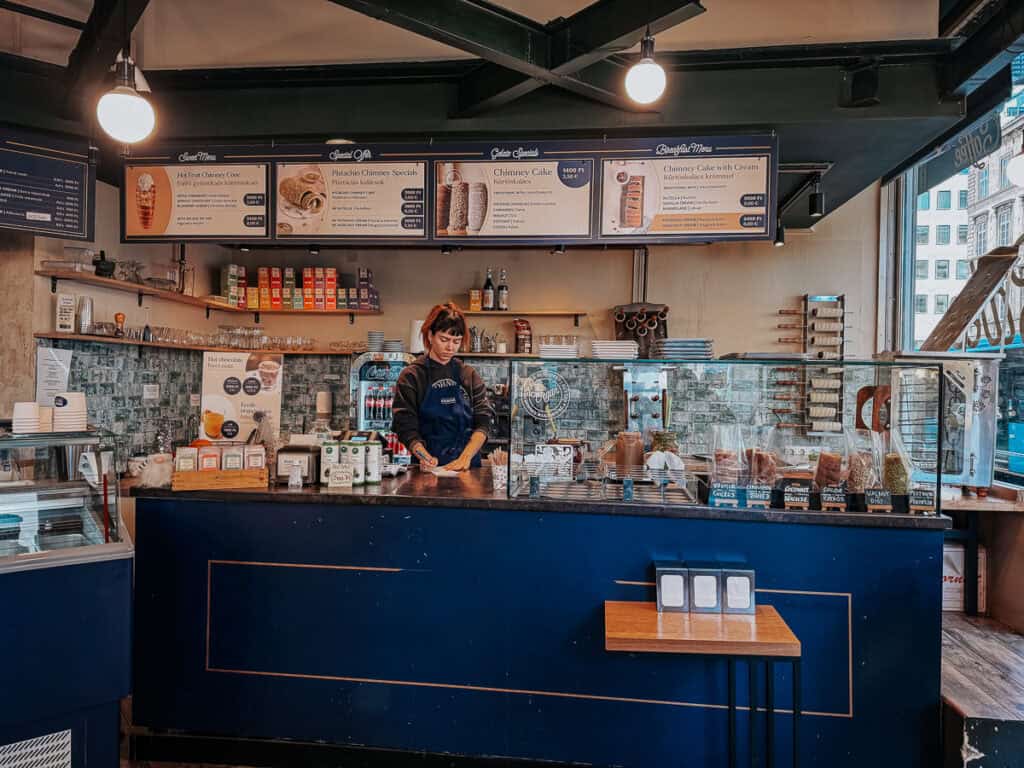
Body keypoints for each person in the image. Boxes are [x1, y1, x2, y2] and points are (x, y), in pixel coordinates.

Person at [392, 302, 492, 471]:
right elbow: (405, 425)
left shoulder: (468, 374)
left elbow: (484, 420)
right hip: (429, 469)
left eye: (456, 341)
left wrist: (465, 458)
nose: (450, 347)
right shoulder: (412, 376)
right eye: (444, 339)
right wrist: (424, 456)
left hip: (468, 469)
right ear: (430, 335)